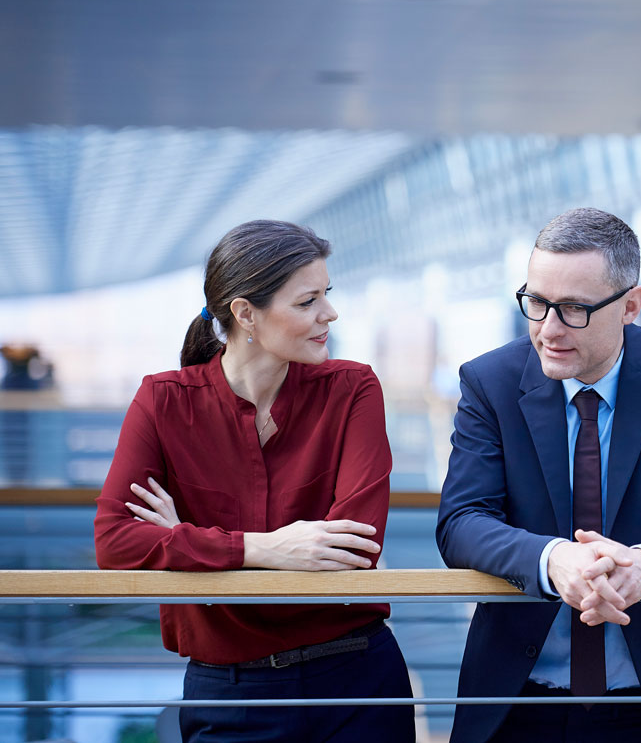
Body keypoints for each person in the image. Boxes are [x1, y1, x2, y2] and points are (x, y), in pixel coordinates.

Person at [436, 208, 641, 743]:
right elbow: (461, 522)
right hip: (516, 698)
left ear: (631, 305)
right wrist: (553, 559)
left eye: (575, 309)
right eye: (536, 303)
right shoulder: (489, 381)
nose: (548, 330)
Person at [94, 220, 415, 742]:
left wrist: (183, 542)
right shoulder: (163, 401)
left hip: (357, 681)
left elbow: (350, 549)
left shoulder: (353, 389)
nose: (329, 314)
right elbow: (113, 542)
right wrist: (265, 548)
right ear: (245, 313)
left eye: (325, 295)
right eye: (308, 301)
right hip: (230, 693)